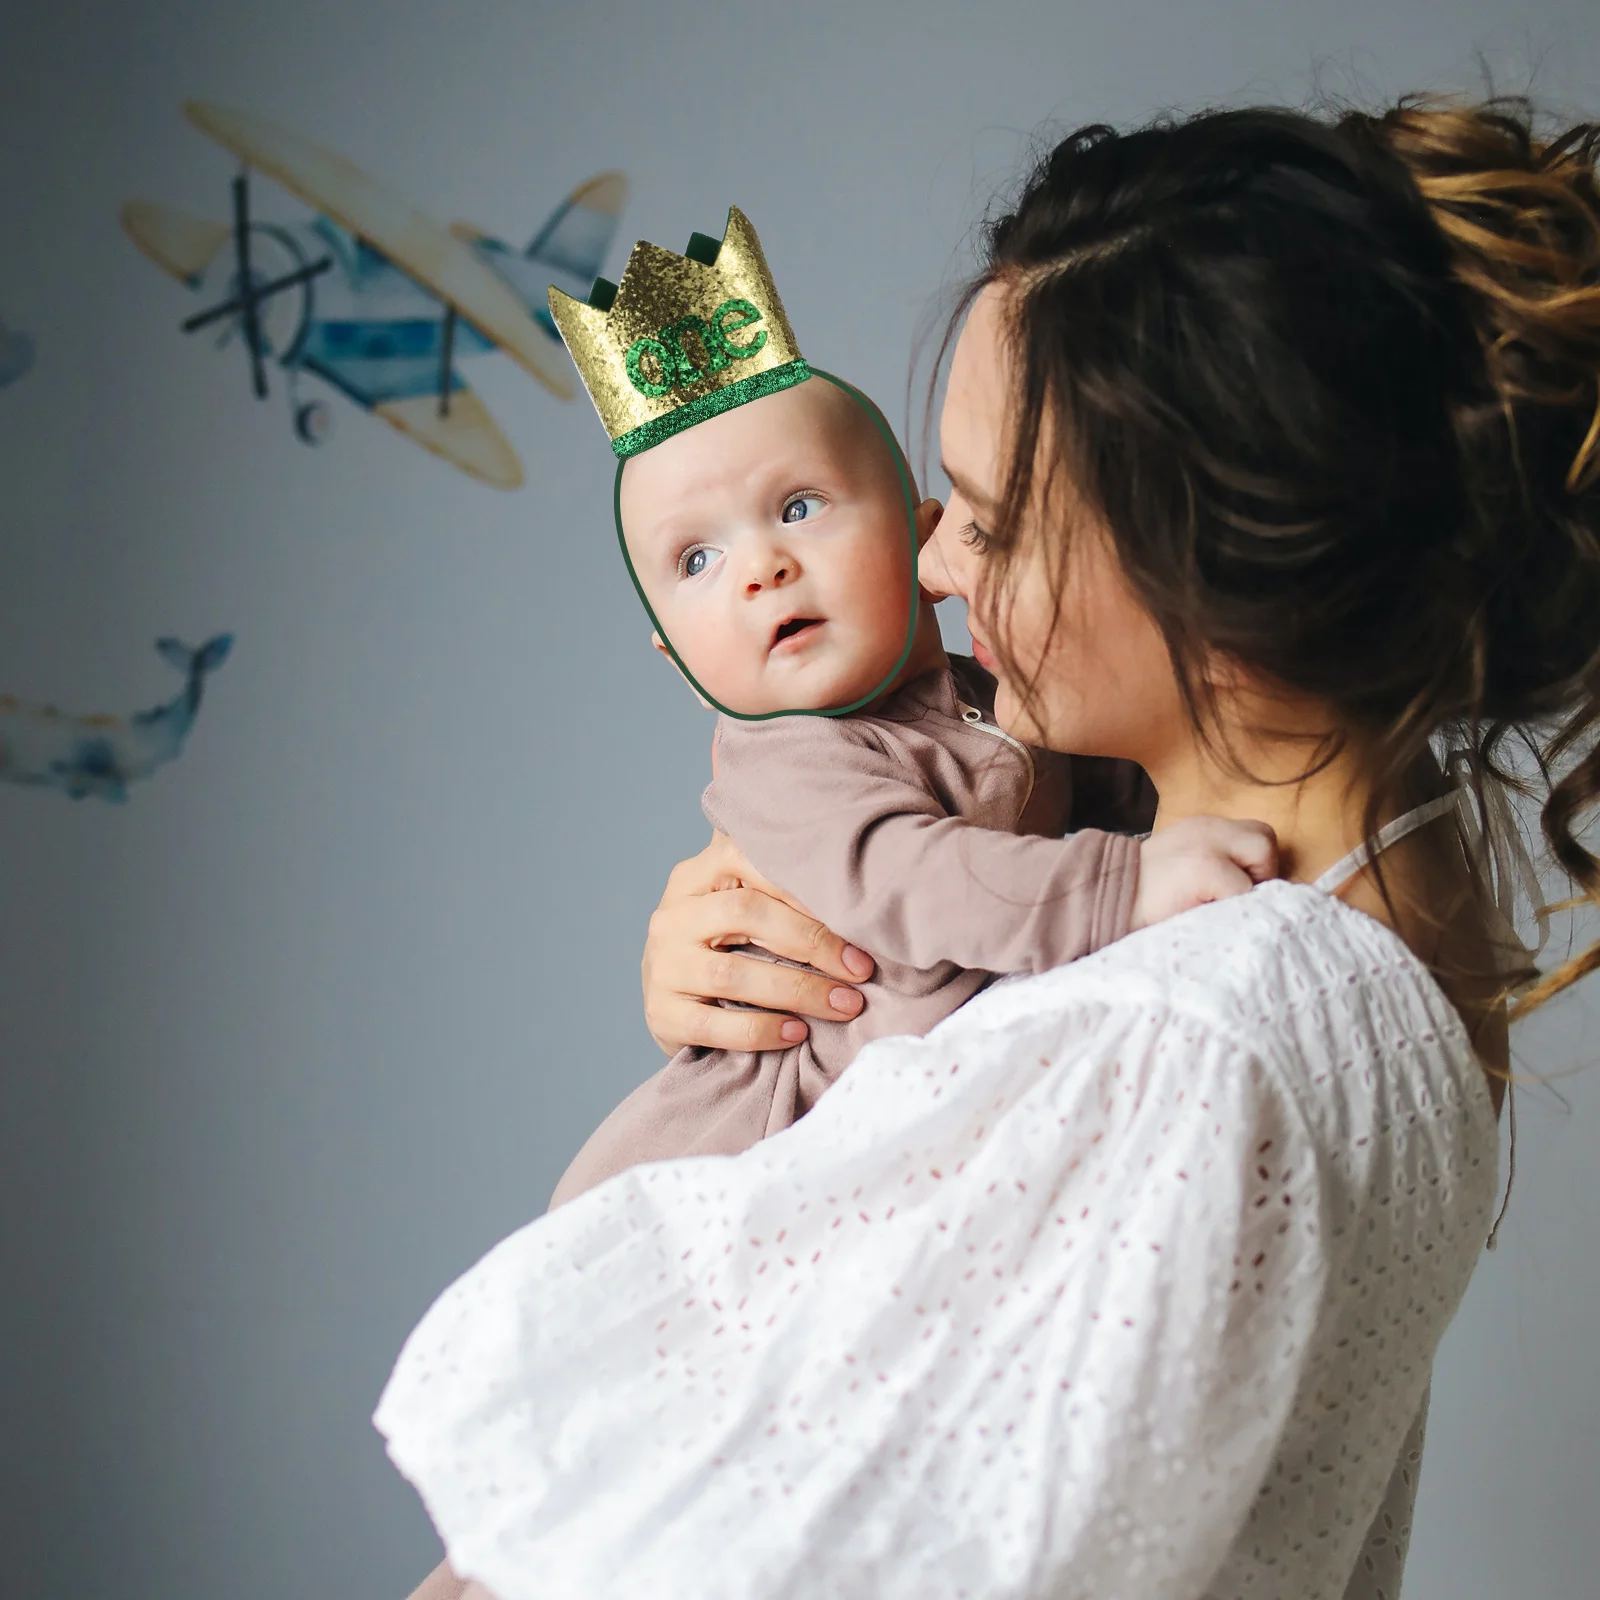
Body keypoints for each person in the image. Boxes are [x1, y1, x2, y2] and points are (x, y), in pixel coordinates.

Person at [375, 92, 1600, 1599]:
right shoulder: (1401, 890)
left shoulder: (1182, 1041)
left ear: (1204, 568)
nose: (937, 572)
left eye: (991, 518)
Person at [533, 207, 1274, 1208]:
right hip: (748, 1164)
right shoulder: (789, 763)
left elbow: (1099, 791)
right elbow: (923, 881)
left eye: (798, 506)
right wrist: (1124, 883)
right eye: (696, 559)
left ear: (924, 543)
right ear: (675, 659)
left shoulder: (989, 698)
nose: (763, 567)